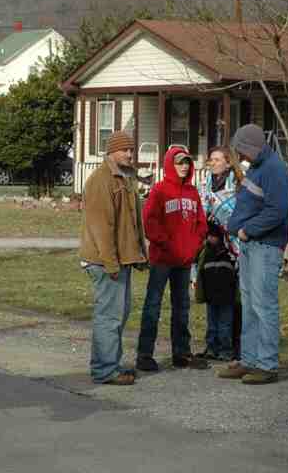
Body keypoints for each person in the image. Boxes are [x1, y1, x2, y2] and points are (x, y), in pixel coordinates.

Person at [217, 124, 288, 385]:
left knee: (263, 305)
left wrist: (248, 230)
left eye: (244, 151)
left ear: (254, 147)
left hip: (265, 246)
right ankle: (249, 359)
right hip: (249, 246)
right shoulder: (257, 168)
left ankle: (267, 364)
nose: (242, 157)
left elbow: (276, 211)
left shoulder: (274, 170)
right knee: (248, 305)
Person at [79, 130, 148, 385]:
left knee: (118, 314)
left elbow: (130, 223)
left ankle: (111, 364)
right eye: (125, 150)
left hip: (121, 259)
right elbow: (101, 226)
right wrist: (110, 263)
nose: (130, 154)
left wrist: (139, 255)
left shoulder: (124, 178)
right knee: (109, 316)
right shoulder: (101, 180)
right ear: (111, 152)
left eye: (132, 150)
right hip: (105, 261)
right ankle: (105, 370)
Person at [136, 147, 209, 372]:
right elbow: (150, 223)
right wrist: (168, 244)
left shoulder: (193, 193)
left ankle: (181, 352)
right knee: (153, 305)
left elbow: (201, 224)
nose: (184, 166)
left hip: (184, 260)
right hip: (163, 259)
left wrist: (193, 247)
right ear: (170, 164)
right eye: (179, 162)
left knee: (182, 307)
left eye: (187, 162)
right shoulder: (159, 191)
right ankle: (145, 355)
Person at [196, 146, 244, 361]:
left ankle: (230, 345)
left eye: (217, 159)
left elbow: (239, 212)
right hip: (211, 247)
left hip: (233, 247)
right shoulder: (205, 185)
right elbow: (202, 211)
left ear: (228, 162)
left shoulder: (237, 184)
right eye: (211, 160)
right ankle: (212, 345)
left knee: (230, 300)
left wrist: (225, 232)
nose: (213, 163)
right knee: (212, 298)